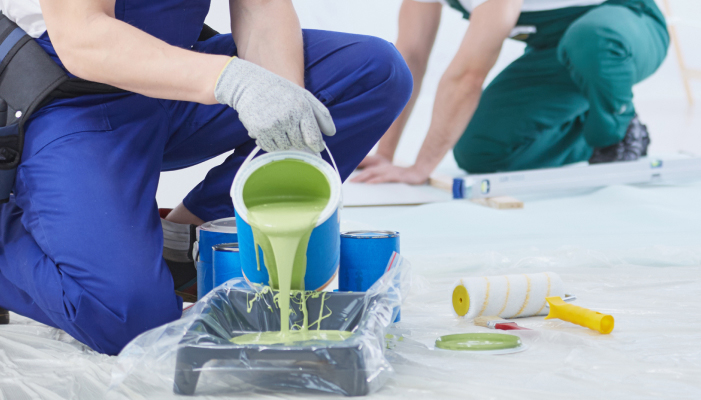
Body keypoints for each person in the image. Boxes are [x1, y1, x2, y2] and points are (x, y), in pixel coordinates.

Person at [0, 0, 412, 355]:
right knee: (129, 317)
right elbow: (83, 38)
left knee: (371, 72)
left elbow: (260, 7)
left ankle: (189, 241)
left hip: (170, 77)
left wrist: (284, 129)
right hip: (74, 100)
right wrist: (233, 82)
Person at [350, 0, 668, 184]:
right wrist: (385, 154)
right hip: (554, 52)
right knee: (479, 150)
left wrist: (420, 168)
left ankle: (617, 131)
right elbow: (411, 57)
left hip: (625, 28)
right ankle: (591, 127)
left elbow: (468, 75)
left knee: (590, 40)